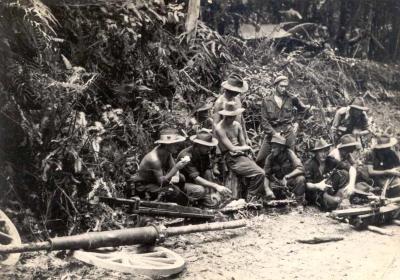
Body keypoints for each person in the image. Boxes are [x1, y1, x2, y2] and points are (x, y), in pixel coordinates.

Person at [215, 101, 275, 202]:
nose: (233, 118)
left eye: (234, 115)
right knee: (260, 173)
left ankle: (259, 195)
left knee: (265, 172)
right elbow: (231, 148)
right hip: (230, 157)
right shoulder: (220, 128)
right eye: (231, 116)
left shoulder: (237, 125)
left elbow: (242, 143)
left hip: (241, 155)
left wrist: (246, 151)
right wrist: (246, 148)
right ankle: (251, 196)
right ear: (226, 116)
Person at [132, 128, 205, 205]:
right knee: (173, 192)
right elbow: (162, 182)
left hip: (160, 183)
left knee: (183, 179)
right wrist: (176, 168)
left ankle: (184, 200)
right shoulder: (154, 159)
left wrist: (177, 171)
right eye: (175, 144)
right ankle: (184, 202)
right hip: (146, 186)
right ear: (167, 145)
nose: (178, 146)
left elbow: (174, 170)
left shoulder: (167, 153)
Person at [256, 75, 308, 166]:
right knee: (260, 159)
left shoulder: (291, 98)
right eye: (281, 86)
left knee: (291, 160)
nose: (284, 89)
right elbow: (264, 121)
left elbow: (303, 110)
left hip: (288, 132)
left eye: (285, 86)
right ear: (275, 85)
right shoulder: (266, 101)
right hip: (272, 132)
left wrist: (297, 123)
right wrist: (274, 134)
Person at [177, 129, 232, 207]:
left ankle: (204, 199)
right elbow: (196, 178)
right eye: (206, 147)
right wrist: (216, 186)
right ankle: (189, 204)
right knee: (200, 191)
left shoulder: (204, 153)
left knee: (216, 200)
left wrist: (212, 192)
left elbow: (207, 172)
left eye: (209, 146)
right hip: (182, 184)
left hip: (195, 182)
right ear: (197, 145)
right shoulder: (186, 156)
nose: (209, 149)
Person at [264, 134, 306, 203]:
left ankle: (299, 202)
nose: (272, 150)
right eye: (271, 147)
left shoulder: (289, 153)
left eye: (274, 147)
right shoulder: (269, 158)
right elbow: (266, 175)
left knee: (300, 179)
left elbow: (301, 168)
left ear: (282, 148)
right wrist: (267, 189)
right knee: (272, 195)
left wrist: (287, 177)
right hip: (277, 183)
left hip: (290, 181)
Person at [213, 74, 251, 145]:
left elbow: (241, 120)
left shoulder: (237, 99)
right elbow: (215, 124)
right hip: (226, 138)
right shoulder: (220, 102)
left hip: (238, 135)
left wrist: (246, 138)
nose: (239, 92)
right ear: (230, 89)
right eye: (237, 90)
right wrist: (216, 144)